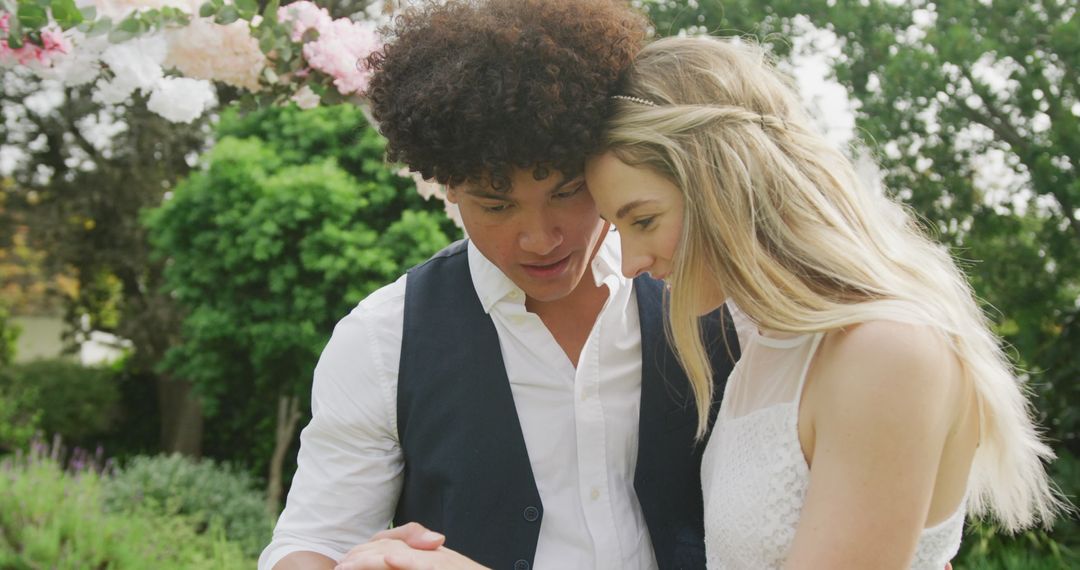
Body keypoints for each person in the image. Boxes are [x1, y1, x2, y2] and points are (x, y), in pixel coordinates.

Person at [259, 3, 737, 570]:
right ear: (447, 188)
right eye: (495, 205)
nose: (539, 238)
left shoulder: (711, 294)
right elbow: (313, 540)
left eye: (565, 192)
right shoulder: (381, 341)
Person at [580, 36, 1064, 568]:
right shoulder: (765, 341)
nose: (629, 264)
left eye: (643, 220)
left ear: (723, 181)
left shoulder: (884, 353)